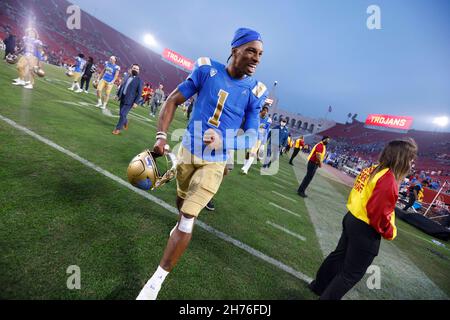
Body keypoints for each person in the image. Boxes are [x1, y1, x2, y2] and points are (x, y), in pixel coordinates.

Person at [136, 27, 267, 300]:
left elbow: (253, 136)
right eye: (251, 51)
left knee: (188, 217)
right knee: (181, 204)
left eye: (261, 54)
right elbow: (173, 100)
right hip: (186, 152)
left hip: (215, 163)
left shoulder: (255, 91)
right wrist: (161, 137)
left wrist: (225, 140)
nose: (257, 58)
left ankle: (155, 282)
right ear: (235, 50)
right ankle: (181, 223)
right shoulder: (207, 70)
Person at [308, 138, 418, 300]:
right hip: (366, 227)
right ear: (401, 158)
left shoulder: (373, 169)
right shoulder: (388, 179)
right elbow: (378, 214)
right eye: (410, 158)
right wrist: (390, 232)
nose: (411, 163)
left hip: (352, 217)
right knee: (351, 274)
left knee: (338, 257)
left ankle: (318, 286)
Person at [112, 64, 143, 135]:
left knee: (122, 114)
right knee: (121, 114)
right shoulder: (127, 77)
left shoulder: (139, 80)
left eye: (137, 69)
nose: (135, 70)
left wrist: (136, 102)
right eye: (134, 68)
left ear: (139, 71)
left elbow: (139, 93)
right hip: (122, 97)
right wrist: (117, 95)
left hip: (130, 101)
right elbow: (122, 86)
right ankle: (125, 121)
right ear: (131, 69)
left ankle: (118, 129)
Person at [241, 104, 271, 174]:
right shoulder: (256, 117)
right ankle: (244, 165)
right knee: (248, 152)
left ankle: (246, 168)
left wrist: (263, 142)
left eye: (267, 111)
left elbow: (266, 131)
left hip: (259, 138)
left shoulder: (268, 120)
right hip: (252, 136)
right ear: (262, 110)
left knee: (253, 153)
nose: (265, 112)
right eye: (264, 110)